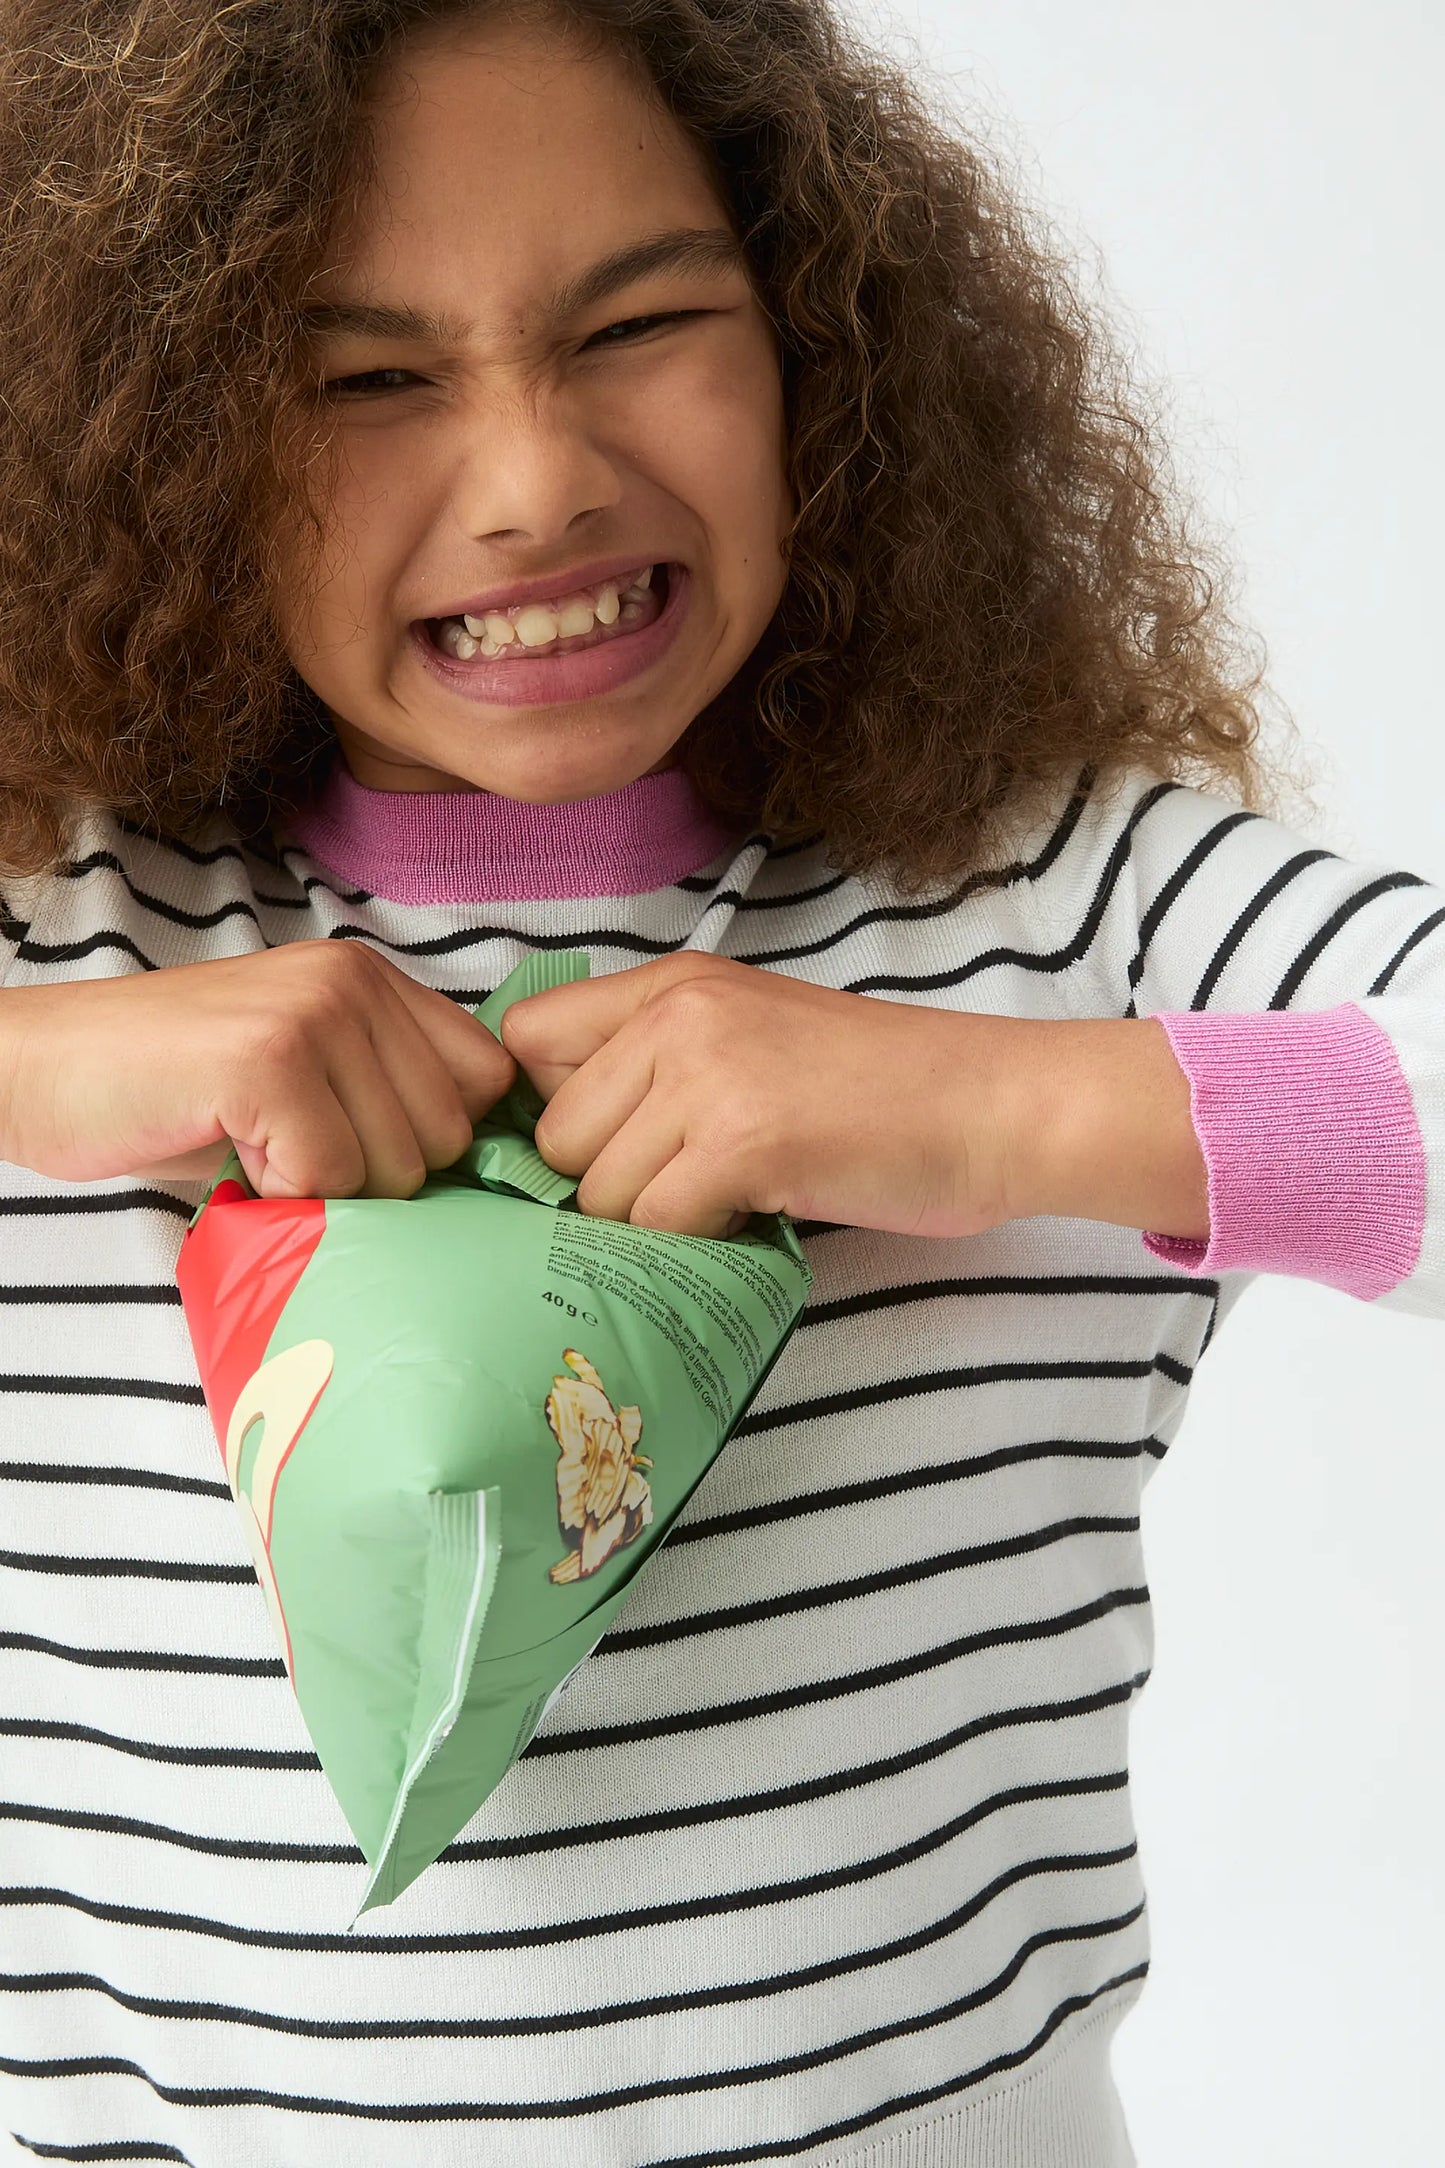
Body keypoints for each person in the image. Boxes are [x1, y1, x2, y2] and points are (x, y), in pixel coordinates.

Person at [0, 0, 1439, 2162]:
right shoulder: (63, 912)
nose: (540, 480)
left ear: (819, 350)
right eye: (365, 376)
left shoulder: (1055, 899)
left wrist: (982, 1110)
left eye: (644, 321)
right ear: (161, 424)